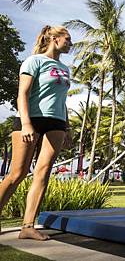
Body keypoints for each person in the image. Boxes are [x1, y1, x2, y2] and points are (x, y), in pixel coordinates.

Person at [0, 25, 73, 240]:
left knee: (43, 172)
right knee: (17, 174)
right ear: (54, 38)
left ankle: (28, 226)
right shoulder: (34, 61)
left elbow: (62, 100)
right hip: (31, 119)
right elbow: (22, 94)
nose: (71, 43)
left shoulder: (65, 68)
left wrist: (66, 127)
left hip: (57, 122)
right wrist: (26, 124)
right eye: (67, 39)